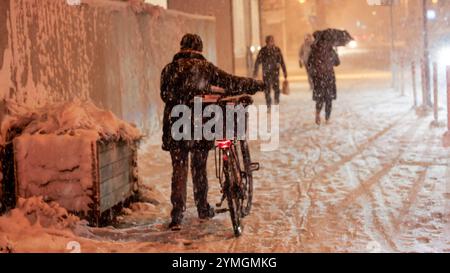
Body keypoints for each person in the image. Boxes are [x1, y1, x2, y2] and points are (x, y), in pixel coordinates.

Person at [160, 34, 265, 230]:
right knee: (199, 167)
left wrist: (183, 99)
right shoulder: (205, 68)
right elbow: (231, 82)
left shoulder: (169, 69)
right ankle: (202, 207)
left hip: (177, 123)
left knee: (179, 169)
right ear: (200, 49)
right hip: (201, 122)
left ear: (181, 47)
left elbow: (165, 95)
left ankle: (177, 215)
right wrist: (254, 84)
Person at [308, 32, 341, 125]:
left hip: (318, 78)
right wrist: (335, 53)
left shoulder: (314, 49)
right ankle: (327, 118)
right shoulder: (330, 50)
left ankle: (318, 113)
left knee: (320, 97)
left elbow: (309, 64)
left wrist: (313, 74)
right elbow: (337, 63)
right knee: (328, 98)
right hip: (329, 77)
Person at [253, 35, 287, 109]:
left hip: (275, 72)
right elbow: (257, 61)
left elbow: (281, 61)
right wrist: (255, 72)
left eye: (273, 41)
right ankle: (268, 104)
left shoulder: (277, 50)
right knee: (267, 89)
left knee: (276, 88)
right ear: (267, 42)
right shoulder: (263, 50)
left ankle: (276, 101)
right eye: (271, 41)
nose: (272, 42)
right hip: (266, 73)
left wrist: (285, 72)